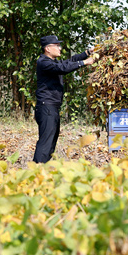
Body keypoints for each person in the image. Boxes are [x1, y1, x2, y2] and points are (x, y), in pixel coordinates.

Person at [33, 35, 95, 163]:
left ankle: (44, 172)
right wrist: (85, 62)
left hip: (52, 107)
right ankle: (35, 172)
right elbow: (62, 68)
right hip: (46, 108)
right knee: (45, 143)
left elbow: (69, 61)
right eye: (57, 46)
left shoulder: (52, 61)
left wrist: (87, 53)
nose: (59, 48)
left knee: (51, 144)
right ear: (48, 48)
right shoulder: (43, 62)